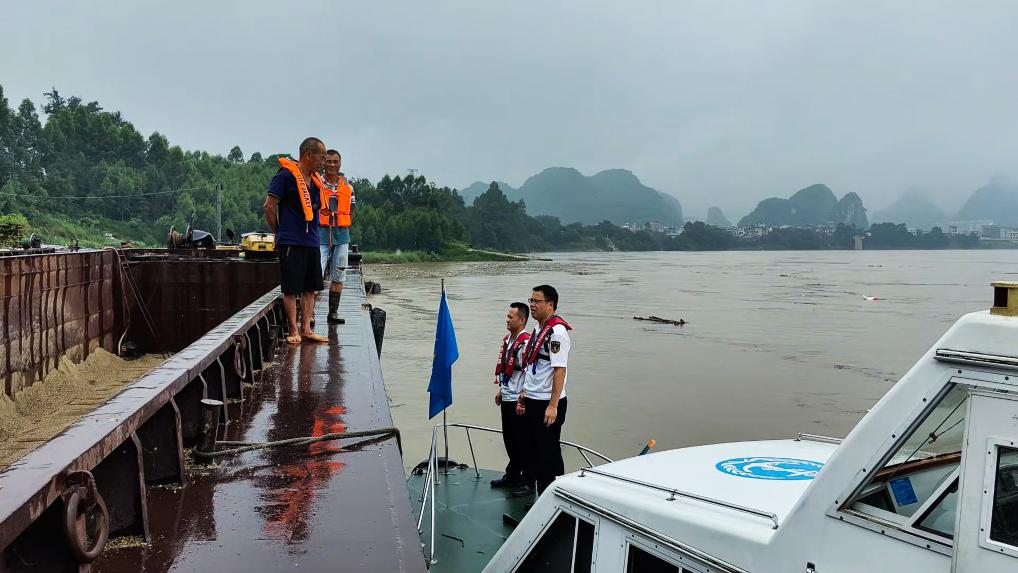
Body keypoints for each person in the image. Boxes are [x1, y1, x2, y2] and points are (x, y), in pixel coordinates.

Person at [262, 137, 330, 344]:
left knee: (311, 287)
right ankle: (293, 330)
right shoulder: (285, 176)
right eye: (322, 157)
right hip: (291, 240)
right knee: (291, 288)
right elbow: (269, 206)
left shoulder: (316, 181)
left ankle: (306, 328)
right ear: (308, 154)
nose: (324, 163)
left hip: (312, 240)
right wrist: (278, 232)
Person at [517, 284, 572, 495]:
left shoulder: (556, 332)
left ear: (550, 304)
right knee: (534, 448)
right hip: (533, 398)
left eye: (536, 301)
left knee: (548, 453)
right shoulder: (539, 328)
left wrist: (553, 405)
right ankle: (538, 493)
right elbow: (535, 366)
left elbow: (559, 370)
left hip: (547, 403)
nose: (532, 305)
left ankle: (553, 495)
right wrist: (525, 392)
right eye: (531, 300)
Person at [490, 302, 531, 489]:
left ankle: (527, 478)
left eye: (510, 317)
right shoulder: (508, 341)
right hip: (507, 396)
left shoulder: (526, 343)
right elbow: (508, 369)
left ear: (521, 320)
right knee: (509, 439)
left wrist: (523, 397)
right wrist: (501, 390)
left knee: (522, 441)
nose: (507, 320)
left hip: (518, 400)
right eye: (507, 316)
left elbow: (530, 372)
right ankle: (513, 474)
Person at [319, 149, 355, 324]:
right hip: (320, 234)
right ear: (323, 162)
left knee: (339, 274)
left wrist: (344, 222)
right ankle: (309, 315)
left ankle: (333, 313)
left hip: (341, 235)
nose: (332, 165)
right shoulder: (316, 183)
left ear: (340, 164)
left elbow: (352, 208)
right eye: (329, 161)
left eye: (335, 162)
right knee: (316, 273)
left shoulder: (348, 187)